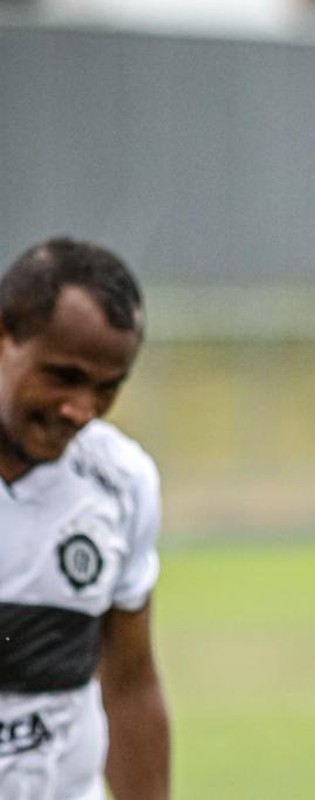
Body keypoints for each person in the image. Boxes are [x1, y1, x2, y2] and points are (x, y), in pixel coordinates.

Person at [0, 238, 168, 800]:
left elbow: (129, 682)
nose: (82, 410)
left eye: (107, 387)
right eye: (62, 376)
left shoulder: (122, 482)